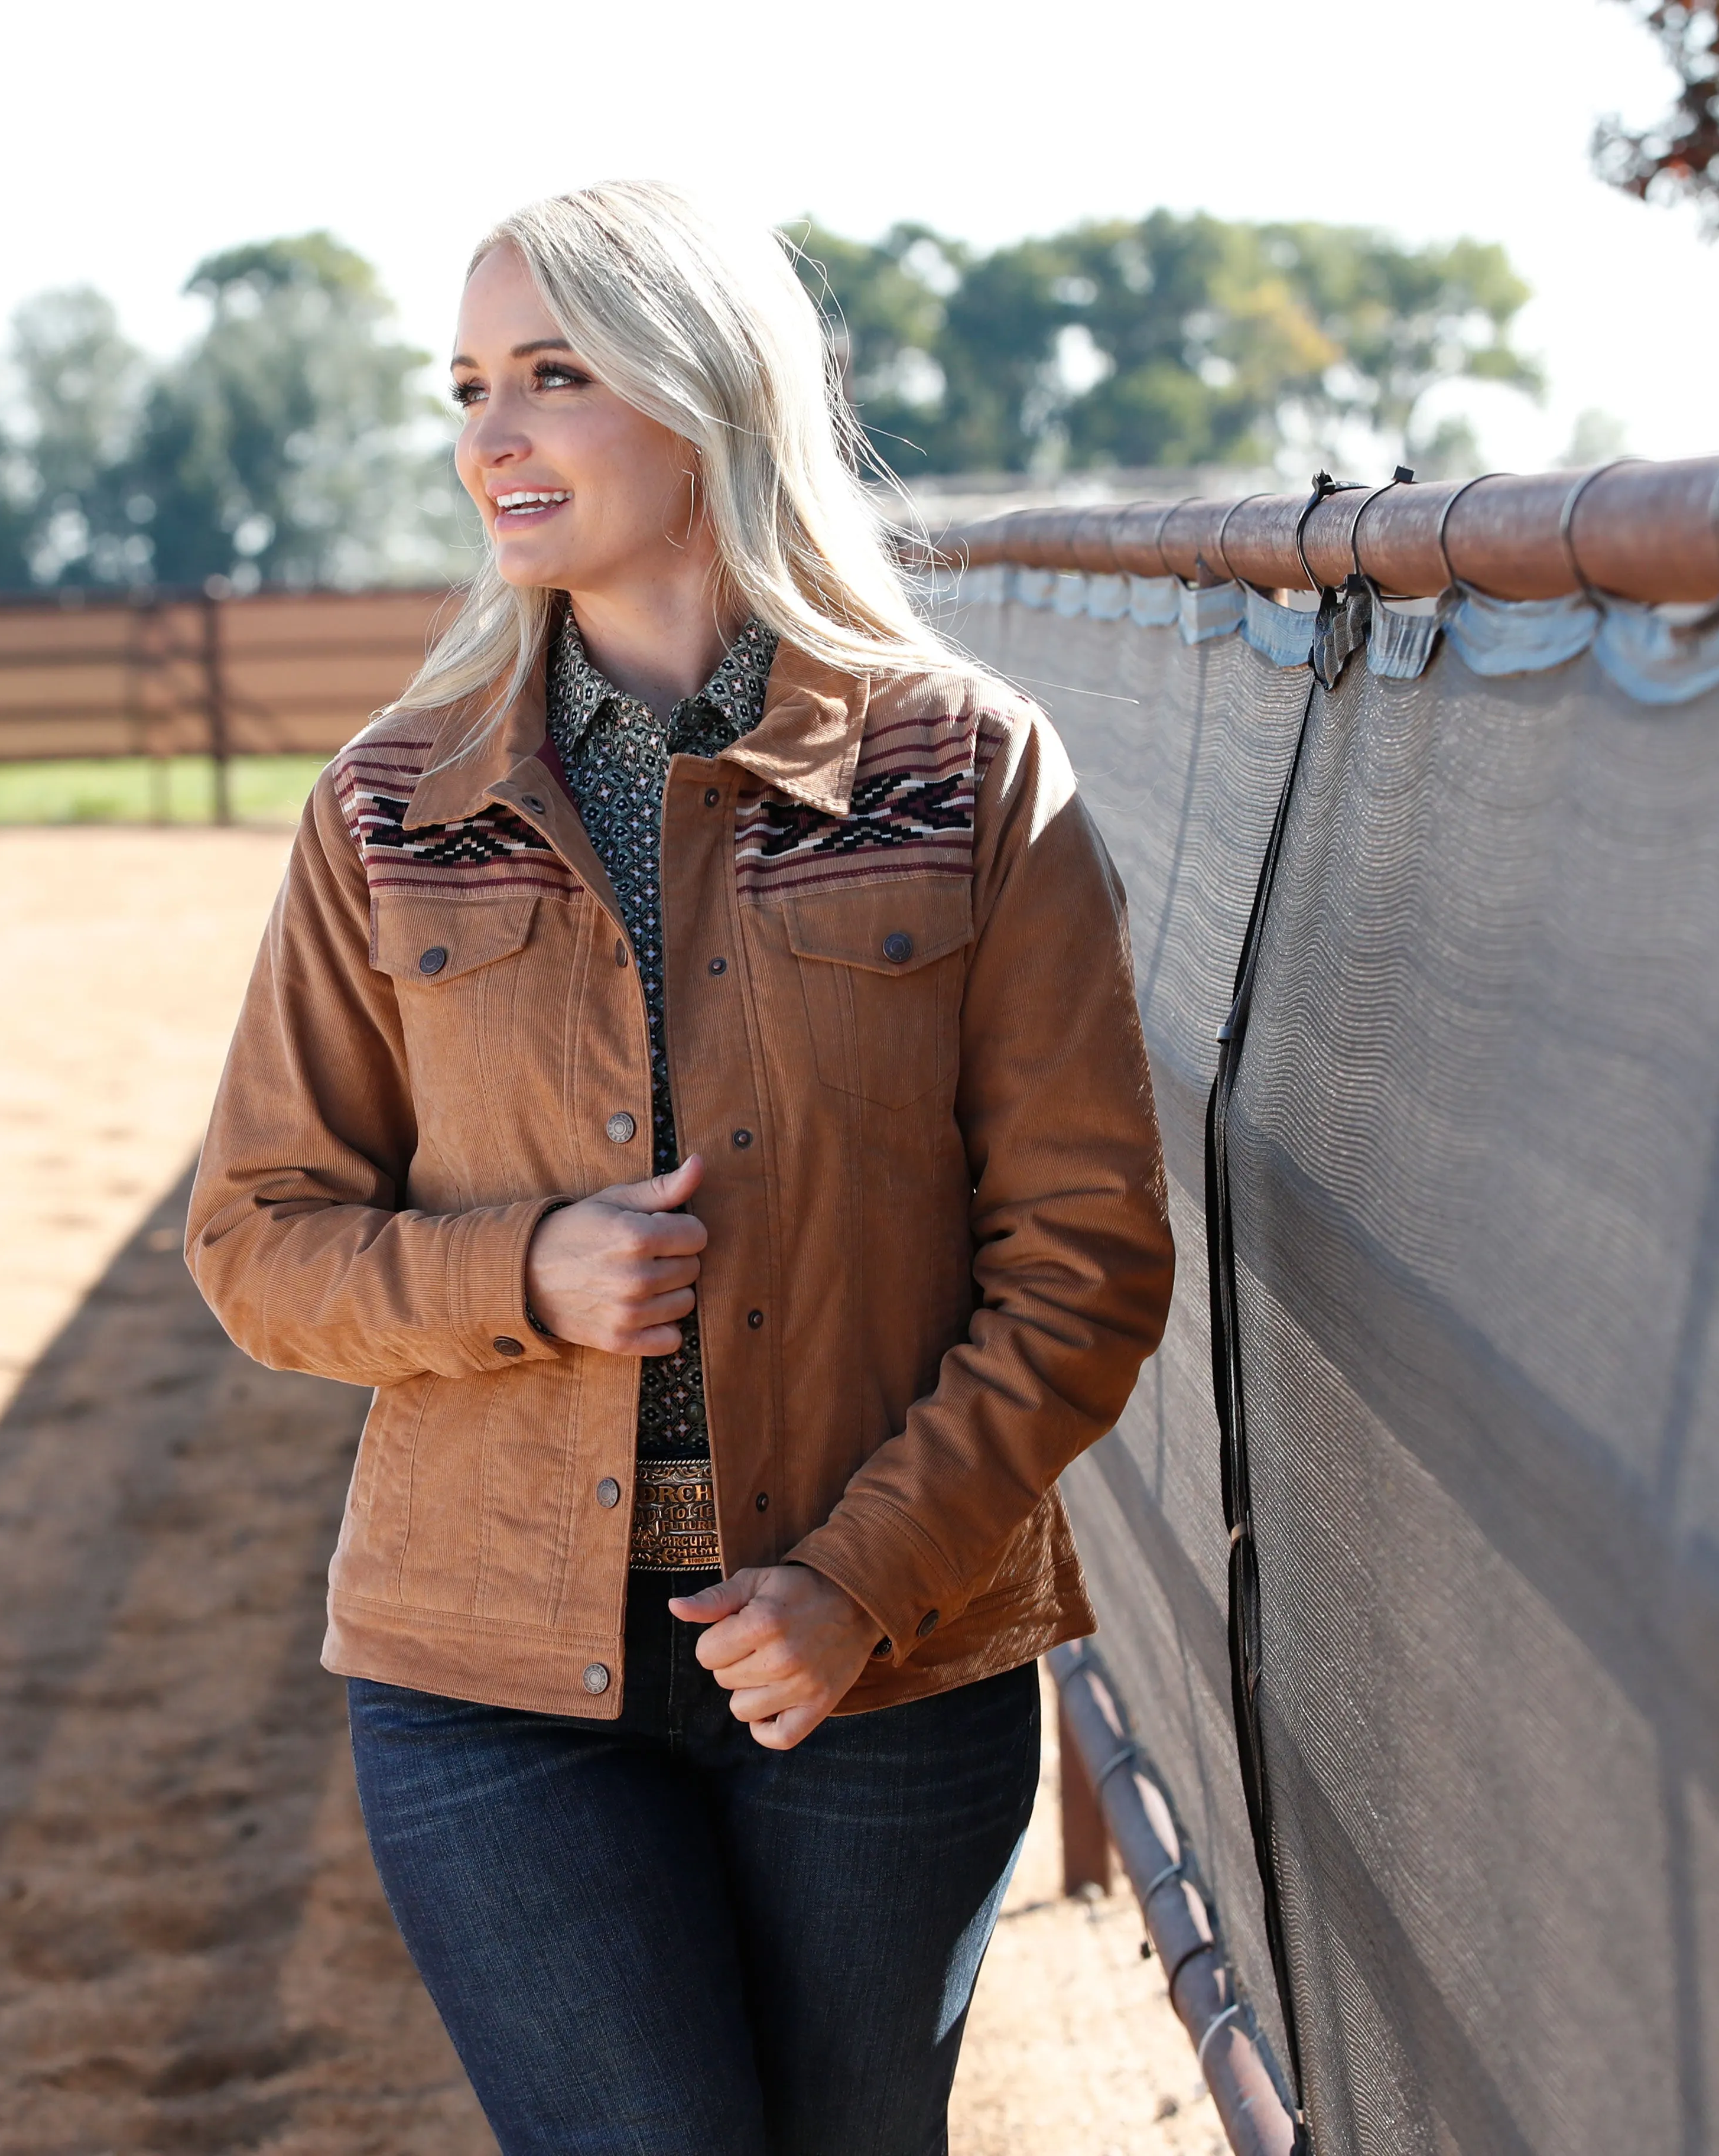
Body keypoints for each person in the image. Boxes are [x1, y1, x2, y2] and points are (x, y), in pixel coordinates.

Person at [183, 179, 1175, 2156]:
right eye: (468, 387)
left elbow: (1084, 1257)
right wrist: (517, 1275)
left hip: (874, 1671)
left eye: (553, 375)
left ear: (708, 393)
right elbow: (255, 1237)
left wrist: (859, 1582)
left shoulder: (965, 772)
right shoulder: (391, 805)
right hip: (484, 1680)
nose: (493, 437)